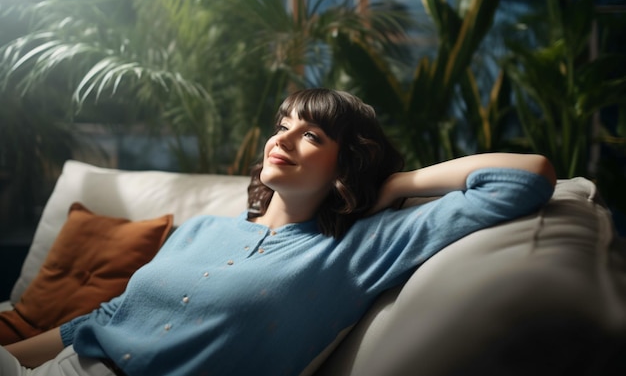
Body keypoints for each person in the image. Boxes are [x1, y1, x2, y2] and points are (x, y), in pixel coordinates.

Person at [1, 88, 556, 376]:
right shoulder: (202, 231)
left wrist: (393, 183)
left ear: (348, 163)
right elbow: (104, 321)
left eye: (310, 134)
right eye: (282, 126)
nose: (282, 140)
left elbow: (524, 178)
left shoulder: (361, 248)